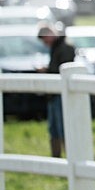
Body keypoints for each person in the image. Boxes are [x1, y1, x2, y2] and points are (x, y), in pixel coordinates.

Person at [37, 25, 75, 158]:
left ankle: (68, 156)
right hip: (54, 94)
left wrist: (47, 71)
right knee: (54, 128)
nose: (45, 43)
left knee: (62, 127)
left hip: (61, 93)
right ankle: (57, 157)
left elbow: (63, 69)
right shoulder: (57, 47)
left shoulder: (65, 47)